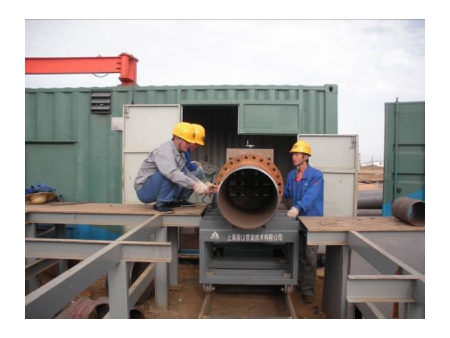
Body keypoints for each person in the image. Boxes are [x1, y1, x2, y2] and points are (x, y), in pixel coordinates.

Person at [134, 122, 217, 212]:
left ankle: (173, 200)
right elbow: (172, 173)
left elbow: (186, 172)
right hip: (144, 191)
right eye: (187, 142)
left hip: (154, 186)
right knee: (172, 174)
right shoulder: (165, 151)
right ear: (177, 139)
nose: (189, 144)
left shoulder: (180, 154)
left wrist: (201, 185)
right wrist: (194, 185)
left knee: (180, 173)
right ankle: (160, 203)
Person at [283, 140, 324, 303]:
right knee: (298, 254)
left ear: (306, 156)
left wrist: (297, 208)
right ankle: (298, 283)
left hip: (311, 220)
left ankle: (307, 289)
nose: (294, 157)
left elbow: (311, 197)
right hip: (296, 220)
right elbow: (285, 193)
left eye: (297, 154)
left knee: (310, 257)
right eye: (293, 154)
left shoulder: (316, 175)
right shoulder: (292, 175)